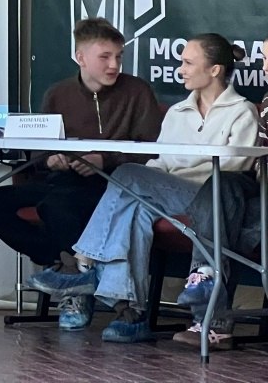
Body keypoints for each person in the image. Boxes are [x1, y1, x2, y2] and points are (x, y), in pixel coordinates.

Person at [28, 33, 259, 343]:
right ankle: (131, 315)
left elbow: (234, 169)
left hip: (210, 199)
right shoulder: (177, 113)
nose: (180, 70)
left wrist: (158, 179)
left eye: (188, 63)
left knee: (129, 177)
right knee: (135, 204)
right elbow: (160, 163)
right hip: (170, 193)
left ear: (214, 70)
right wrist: (150, 181)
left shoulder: (242, 111)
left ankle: (83, 264)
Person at [0, 16, 161, 330]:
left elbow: (153, 149)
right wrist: (50, 160)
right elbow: (39, 149)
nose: (114, 65)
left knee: (57, 206)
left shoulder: (137, 92)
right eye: (105, 57)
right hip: (61, 180)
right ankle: (67, 267)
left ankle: (74, 284)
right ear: (80, 58)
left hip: (111, 184)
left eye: (118, 56)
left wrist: (104, 159)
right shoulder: (58, 94)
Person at [171, 36, 268, 350]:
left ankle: (212, 318)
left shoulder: (243, 110)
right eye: (263, 59)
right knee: (222, 188)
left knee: (223, 218)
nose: (264, 68)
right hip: (257, 191)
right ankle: (209, 297)